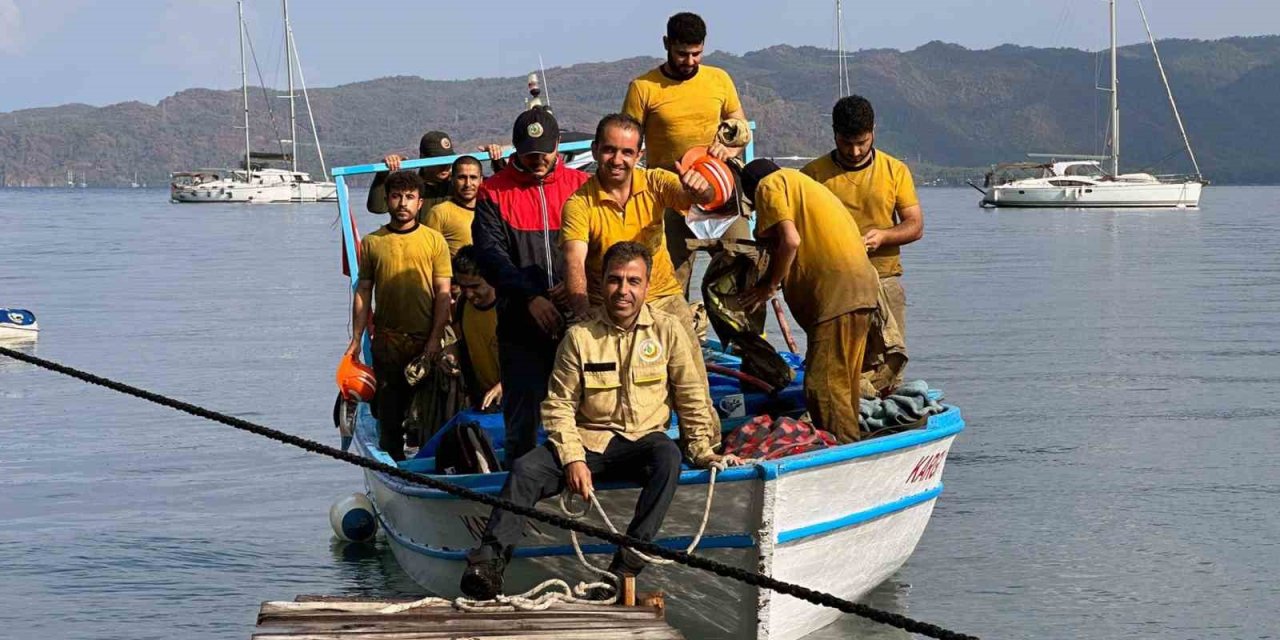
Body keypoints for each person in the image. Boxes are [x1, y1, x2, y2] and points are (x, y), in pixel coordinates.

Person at [460, 242, 741, 600]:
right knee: (526, 469)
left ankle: (627, 563)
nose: (623, 290)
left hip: (642, 441)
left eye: (633, 281)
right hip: (587, 441)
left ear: (647, 285)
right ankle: (489, 564)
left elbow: (691, 397)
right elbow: (558, 405)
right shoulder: (580, 336)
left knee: (669, 458)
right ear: (603, 283)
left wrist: (704, 452)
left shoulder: (669, 331)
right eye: (615, 280)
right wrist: (574, 459)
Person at [471, 106, 590, 466]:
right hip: (520, 322)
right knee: (522, 414)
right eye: (529, 153)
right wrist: (531, 296)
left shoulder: (581, 187)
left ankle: (589, 477)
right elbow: (491, 257)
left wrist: (574, 285)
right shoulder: (492, 192)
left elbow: (599, 247)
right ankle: (521, 483)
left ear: (557, 148)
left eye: (545, 152)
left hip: (577, 318)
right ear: (516, 149)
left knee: (586, 407)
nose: (537, 160)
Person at [737, 160, 880, 444]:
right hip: (863, 289)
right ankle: (852, 442)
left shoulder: (770, 184)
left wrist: (769, 286)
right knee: (844, 383)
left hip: (835, 293)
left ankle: (841, 455)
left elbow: (790, 240)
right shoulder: (807, 187)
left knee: (821, 386)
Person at [622, 11, 750, 296]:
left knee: (742, 268)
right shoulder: (643, 88)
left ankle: (746, 340)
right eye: (682, 54)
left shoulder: (719, 79)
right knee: (671, 282)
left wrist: (730, 147)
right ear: (666, 43)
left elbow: (741, 128)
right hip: (671, 197)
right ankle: (680, 338)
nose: (690, 62)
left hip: (722, 194)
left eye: (697, 54)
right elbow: (626, 143)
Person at [346, 171, 453, 460]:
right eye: (396, 196)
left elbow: (443, 294)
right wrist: (356, 340)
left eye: (410, 197)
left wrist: (434, 340)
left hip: (426, 342)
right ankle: (392, 468)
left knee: (430, 416)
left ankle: (431, 469)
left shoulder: (434, 241)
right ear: (388, 199)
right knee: (389, 415)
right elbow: (364, 291)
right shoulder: (372, 242)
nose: (403, 203)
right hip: (388, 343)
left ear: (420, 203)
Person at [801, 95, 923, 339]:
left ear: (873, 132)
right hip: (833, 283)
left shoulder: (895, 170)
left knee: (889, 359)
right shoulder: (812, 175)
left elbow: (915, 226)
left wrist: (884, 236)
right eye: (846, 143)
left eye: (862, 142)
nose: (855, 151)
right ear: (834, 134)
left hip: (884, 278)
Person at [452, 245, 502, 411]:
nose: (468, 294)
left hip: (516, 399)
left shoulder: (510, 308)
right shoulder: (462, 305)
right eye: (463, 287)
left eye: (475, 287)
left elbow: (535, 361)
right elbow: (464, 344)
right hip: (483, 401)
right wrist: (450, 352)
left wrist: (505, 385)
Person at [367, 131, 455, 217]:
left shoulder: (456, 185)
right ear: (423, 158)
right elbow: (377, 208)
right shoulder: (409, 186)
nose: (446, 166)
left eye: (448, 160)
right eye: (439, 161)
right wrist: (383, 172)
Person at [424, 155, 484, 256]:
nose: (468, 184)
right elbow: (428, 254)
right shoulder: (439, 213)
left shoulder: (490, 211)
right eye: (462, 177)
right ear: (452, 179)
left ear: (481, 180)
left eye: (473, 177)